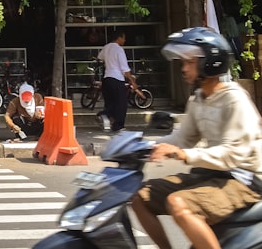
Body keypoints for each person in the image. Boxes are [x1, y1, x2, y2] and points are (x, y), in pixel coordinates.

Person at [131, 27, 262, 249]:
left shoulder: (234, 99)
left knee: (179, 203)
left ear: (210, 62)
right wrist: (143, 147)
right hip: (212, 174)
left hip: (245, 179)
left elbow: (231, 155)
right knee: (139, 196)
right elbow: (183, 138)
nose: (184, 69)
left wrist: (183, 154)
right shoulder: (198, 99)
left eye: (189, 62)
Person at [97, 29, 139, 131]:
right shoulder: (119, 50)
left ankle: (107, 118)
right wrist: (132, 81)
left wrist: (108, 63)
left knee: (110, 102)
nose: (124, 40)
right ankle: (117, 125)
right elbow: (124, 68)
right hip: (117, 79)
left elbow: (99, 57)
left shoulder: (106, 47)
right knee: (121, 104)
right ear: (119, 38)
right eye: (123, 38)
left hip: (107, 79)